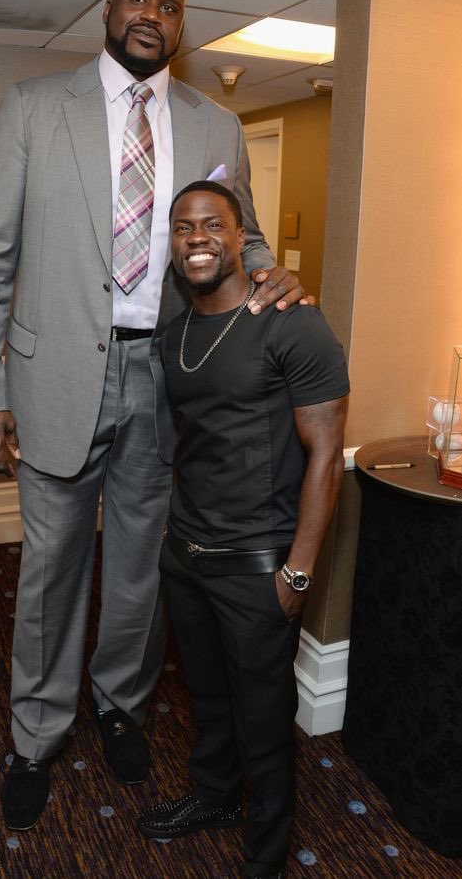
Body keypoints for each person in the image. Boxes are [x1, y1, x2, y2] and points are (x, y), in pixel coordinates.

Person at [0, 0, 309, 833]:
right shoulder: (35, 107)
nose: (153, 15)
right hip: (54, 377)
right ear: (109, 8)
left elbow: (243, 237)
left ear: (182, 24)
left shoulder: (216, 123)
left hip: (169, 379)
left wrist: (274, 274)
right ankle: (35, 736)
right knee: (51, 571)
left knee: (144, 566)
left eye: (171, 6)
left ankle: (121, 705)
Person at [138, 181, 349, 879]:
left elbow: (325, 456)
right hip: (187, 555)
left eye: (211, 225)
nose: (195, 238)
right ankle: (214, 798)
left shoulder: (292, 323)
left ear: (238, 237)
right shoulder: (174, 336)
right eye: (181, 227)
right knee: (207, 695)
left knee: (264, 720)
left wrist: (296, 571)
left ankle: (265, 855)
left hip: (257, 566)